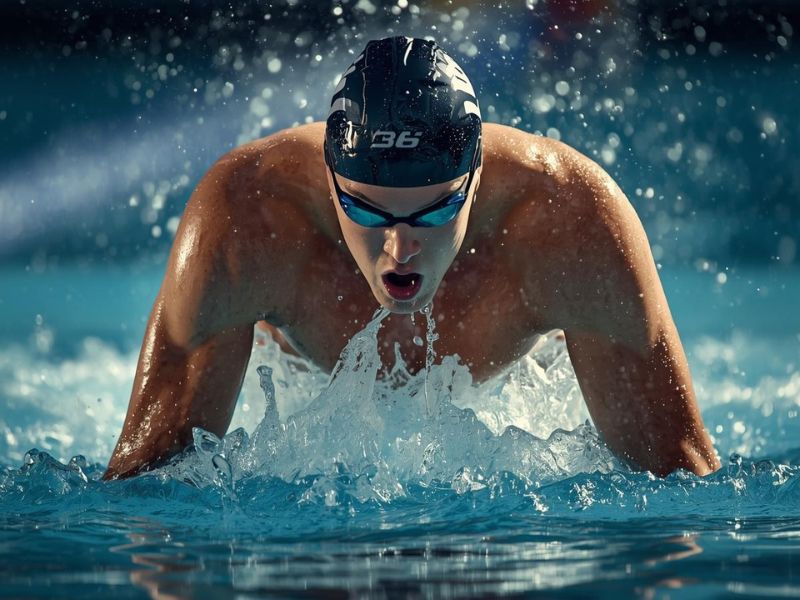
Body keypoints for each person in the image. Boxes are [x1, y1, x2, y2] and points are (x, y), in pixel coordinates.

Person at [104, 36, 720, 481]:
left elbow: (683, 487)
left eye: (434, 211)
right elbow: (144, 494)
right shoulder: (247, 220)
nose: (399, 249)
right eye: (366, 211)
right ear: (330, 177)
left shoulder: (570, 222)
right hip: (296, 377)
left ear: (476, 177)